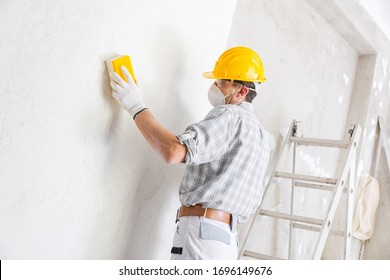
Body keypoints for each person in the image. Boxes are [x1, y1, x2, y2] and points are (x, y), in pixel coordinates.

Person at [110, 46, 270, 260]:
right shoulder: (260, 136)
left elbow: (173, 151)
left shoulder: (230, 116)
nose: (215, 85)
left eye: (222, 82)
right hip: (227, 243)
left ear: (241, 92)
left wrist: (135, 106)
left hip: (204, 235)